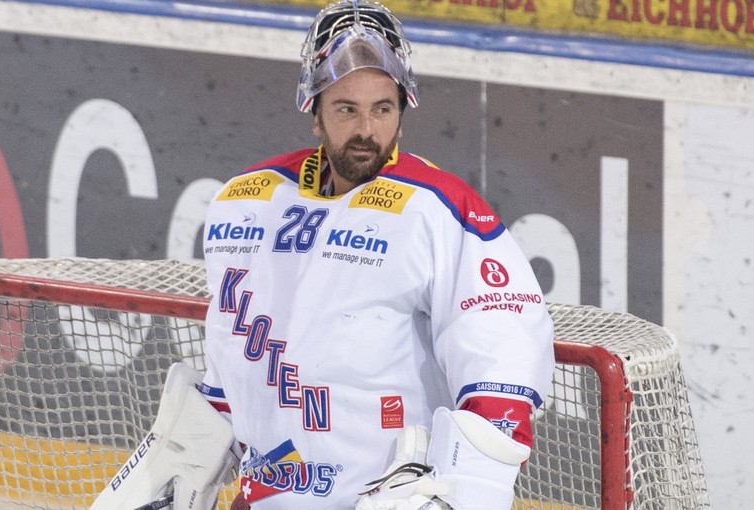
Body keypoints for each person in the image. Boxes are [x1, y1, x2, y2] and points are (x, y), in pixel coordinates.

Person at [199, 1, 555, 509]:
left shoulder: (436, 207)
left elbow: (503, 347)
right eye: (346, 109)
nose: (366, 129)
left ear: (402, 115)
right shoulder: (247, 203)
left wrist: (470, 488)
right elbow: (231, 364)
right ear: (315, 113)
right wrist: (190, 445)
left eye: (382, 109)